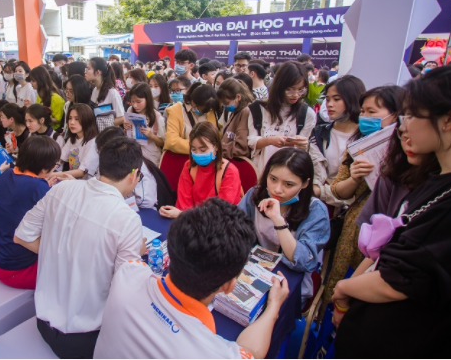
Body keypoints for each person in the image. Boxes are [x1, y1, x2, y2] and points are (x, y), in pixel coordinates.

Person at [333, 65, 451, 359]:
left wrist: (343, 288)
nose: (402, 126)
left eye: (413, 115)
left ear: (450, 120)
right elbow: (388, 252)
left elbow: (397, 279)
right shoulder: (435, 181)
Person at [94, 198, 289, 359]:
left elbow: (131, 258)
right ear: (229, 285)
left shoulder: (127, 275)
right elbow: (252, 353)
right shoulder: (212, 353)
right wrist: (273, 307)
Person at [14, 137, 146, 358]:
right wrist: (137, 257)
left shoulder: (62, 188)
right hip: (86, 338)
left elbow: (22, 236)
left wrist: (61, 253)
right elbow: (125, 290)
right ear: (133, 175)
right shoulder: (127, 219)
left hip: (42, 319)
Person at [322, 85, 403, 305]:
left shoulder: (408, 153)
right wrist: (355, 179)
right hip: (353, 230)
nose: (365, 117)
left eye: (372, 112)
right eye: (363, 111)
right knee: (339, 285)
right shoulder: (357, 147)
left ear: (395, 115)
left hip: (389, 238)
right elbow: (338, 190)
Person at [239, 148, 329, 303]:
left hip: (290, 282)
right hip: (252, 270)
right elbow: (235, 229)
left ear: (305, 183)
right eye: (273, 179)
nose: (277, 189)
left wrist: (278, 220)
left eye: (288, 184)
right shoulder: (254, 196)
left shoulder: (315, 211)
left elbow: (302, 261)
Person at [0, 136, 60, 289]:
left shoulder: (6, 175)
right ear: (44, 169)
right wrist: (43, 188)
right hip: (17, 270)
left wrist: (41, 185)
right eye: (55, 165)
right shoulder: (37, 188)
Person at [160, 122, 242, 218]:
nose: (198, 154)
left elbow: (221, 213)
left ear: (216, 147)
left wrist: (183, 215)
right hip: (192, 222)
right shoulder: (189, 166)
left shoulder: (230, 171)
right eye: (194, 149)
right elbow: (184, 203)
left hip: (222, 225)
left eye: (203, 150)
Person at [246, 61, 316, 171]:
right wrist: (270, 141)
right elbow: (251, 142)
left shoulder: (307, 113)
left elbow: (303, 152)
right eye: (289, 89)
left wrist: (303, 145)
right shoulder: (257, 109)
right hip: (260, 170)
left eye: (301, 90)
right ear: (279, 86)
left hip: (289, 172)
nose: (295, 95)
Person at [309, 76, 366, 206]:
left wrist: (321, 192)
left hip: (352, 207)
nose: (329, 104)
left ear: (353, 99)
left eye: (336, 99)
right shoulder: (318, 133)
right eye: (327, 99)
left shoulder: (367, 138)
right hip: (321, 205)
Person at [164, 83, 219, 155]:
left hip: (207, 157)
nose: (204, 112)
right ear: (193, 102)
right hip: (183, 157)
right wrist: (202, 148)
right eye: (201, 109)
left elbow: (215, 137)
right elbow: (171, 141)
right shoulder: (176, 110)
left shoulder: (210, 111)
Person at [54, 103, 100, 179]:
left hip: (86, 185)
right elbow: (60, 159)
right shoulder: (73, 138)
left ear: (87, 120)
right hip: (72, 181)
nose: (72, 122)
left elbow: (82, 172)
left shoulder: (93, 142)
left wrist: (52, 175)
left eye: (77, 119)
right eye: (70, 118)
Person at [124, 83, 166, 165]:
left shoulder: (157, 117)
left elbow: (163, 143)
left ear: (147, 99)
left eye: (138, 101)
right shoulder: (130, 110)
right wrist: (126, 128)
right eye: (132, 101)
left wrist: (151, 135)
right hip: (132, 152)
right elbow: (127, 134)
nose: (135, 105)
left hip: (150, 157)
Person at [218, 78, 255, 160]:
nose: (224, 106)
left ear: (238, 97)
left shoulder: (245, 112)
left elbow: (241, 148)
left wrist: (219, 148)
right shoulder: (236, 110)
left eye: (226, 103)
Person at [85, 57, 125, 126]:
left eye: (88, 69)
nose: (85, 72)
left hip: (110, 134)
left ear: (98, 72)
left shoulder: (112, 93)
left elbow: (122, 118)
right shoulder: (95, 90)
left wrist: (104, 124)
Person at [30, 65, 64, 130]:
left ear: (41, 81)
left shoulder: (55, 98)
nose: (31, 83)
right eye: (31, 80)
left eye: (33, 81)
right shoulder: (39, 96)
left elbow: (58, 120)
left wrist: (43, 118)